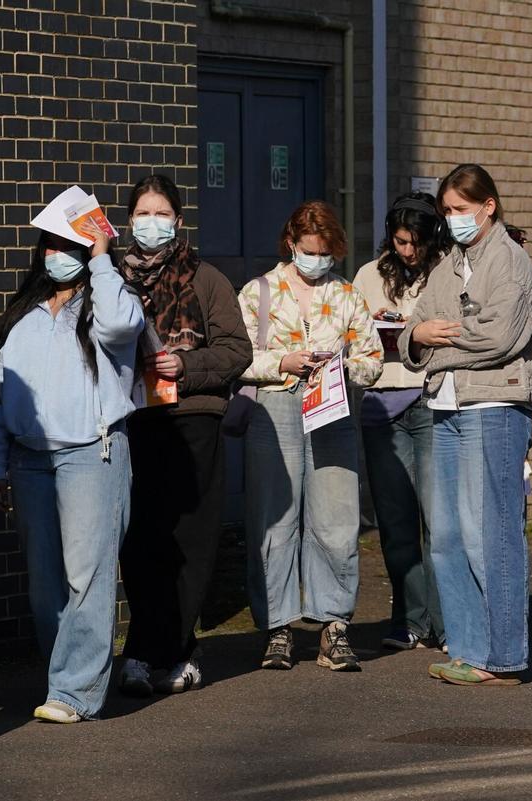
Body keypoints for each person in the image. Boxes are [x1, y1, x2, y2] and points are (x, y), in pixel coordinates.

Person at [0, 214, 144, 722]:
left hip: (90, 454)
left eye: (69, 245)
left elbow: (123, 325)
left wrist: (101, 258)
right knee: (45, 583)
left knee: (87, 575)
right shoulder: (22, 316)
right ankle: (64, 679)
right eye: (50, 244)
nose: (57, 254)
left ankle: (75, 692)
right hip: (30, 459)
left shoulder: (106, 306)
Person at [400, 164, 532, 685]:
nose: (453, 218)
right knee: (445, 535)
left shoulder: (510, 258)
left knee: (491, 533)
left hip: (494, 407)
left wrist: (436, 339)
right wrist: (422, 333)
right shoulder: (448, 263)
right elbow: (409, 335)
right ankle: (466, 649)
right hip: (444, 406)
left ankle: (503, 656)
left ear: (489, 206)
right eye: (447, 210)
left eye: (461, 209)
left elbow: (501, 337)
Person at [115, 175, 252, 696]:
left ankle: (169, 651)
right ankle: (149, 650)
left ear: (178, 219)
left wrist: (186, 365)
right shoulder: (112, 279)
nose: (152, 223)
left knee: (189, 542)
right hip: (134, 422)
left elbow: (236, 351)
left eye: (162, 213)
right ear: (129, 222)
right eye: (143, 214)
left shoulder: (206, 279)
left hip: (192, 419)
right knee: (143, 541)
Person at [239, 200, 382, 672]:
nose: (318, 261)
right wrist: (282, 362)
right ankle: (277, 628)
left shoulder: (346, 295)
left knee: (336, 518)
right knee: (273, 518)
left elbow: (373, 358)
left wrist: (340, 367)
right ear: (291, 244)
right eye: (310, 250)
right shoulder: (258, 292)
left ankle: (334, 626)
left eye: (326, 253)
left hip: (333, 407)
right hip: (274, 406)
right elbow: (235, 356)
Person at [353, 193, 451, 652]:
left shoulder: (449, 272)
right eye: (399, 241)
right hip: (381, 403)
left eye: (416, 243)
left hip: (431, 398)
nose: (407, 251)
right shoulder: (369, 275)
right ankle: (409, 618)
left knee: (437, 517)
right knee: (395, 519)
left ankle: (445, 619)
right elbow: (350, 334)